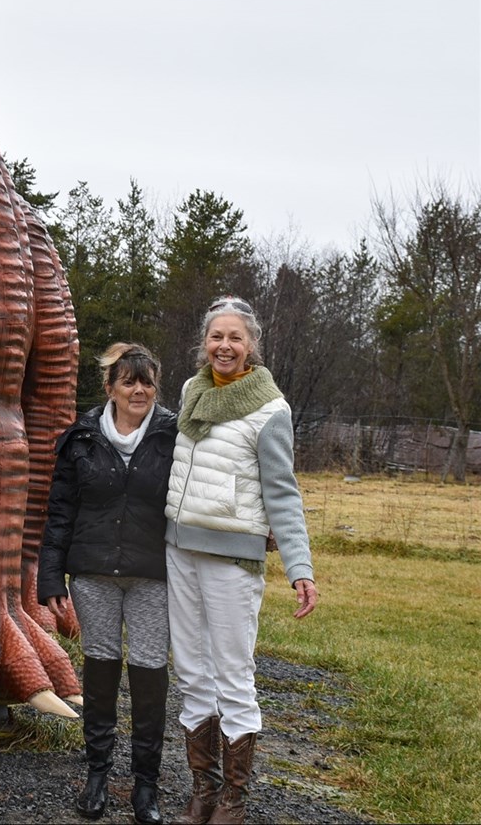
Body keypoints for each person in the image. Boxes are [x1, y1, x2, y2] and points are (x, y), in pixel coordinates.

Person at [165, 295, 318, 825]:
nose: (224, 346)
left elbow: (282, 491)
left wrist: (299, 566)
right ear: (203, 342)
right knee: (190, 671)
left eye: (234, 338)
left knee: (232, 672)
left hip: (232, 557)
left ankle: (233, 801)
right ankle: (201, 791)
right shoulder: (190, 391)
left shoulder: (271, 408)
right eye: (216, 336)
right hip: (180, 549)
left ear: (251, 345)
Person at [38, 343, 177, 824]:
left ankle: (146, 786)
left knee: (148, 673)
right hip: (93, 574)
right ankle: (97, 773)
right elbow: (59, 513)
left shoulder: (174, 436)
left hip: (152, 576)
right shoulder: (80, 438)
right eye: (128, 380)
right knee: (99, 672)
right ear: (110, 387)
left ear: (156, 385)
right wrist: (50, 574)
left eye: (147, 381)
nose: (138, 389)